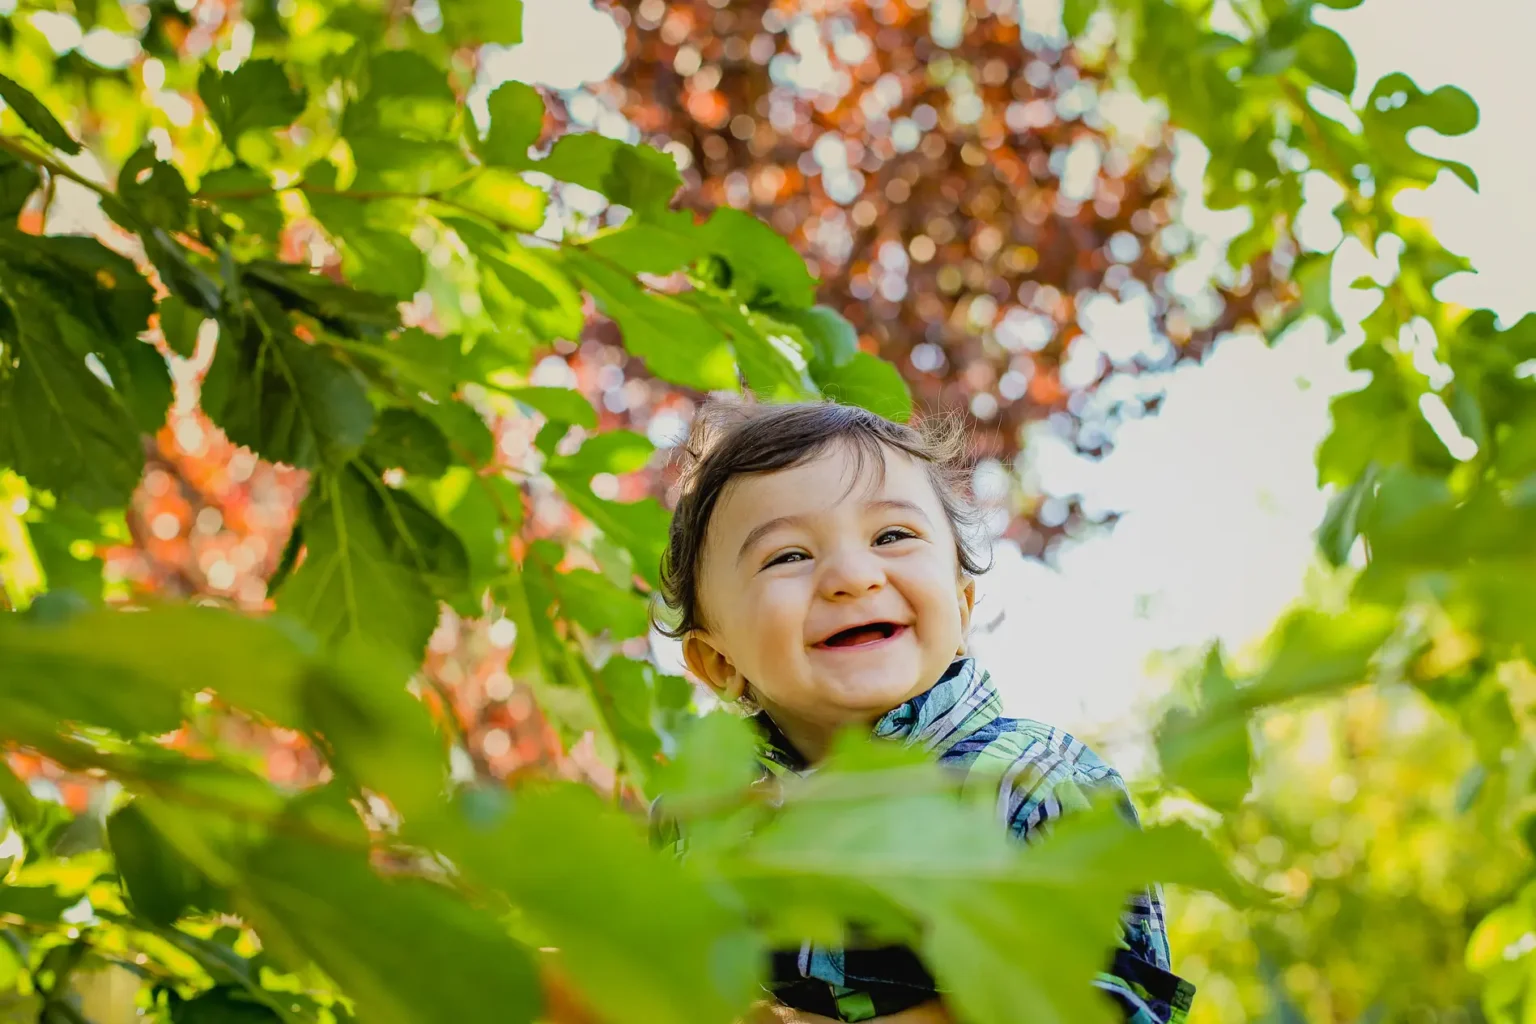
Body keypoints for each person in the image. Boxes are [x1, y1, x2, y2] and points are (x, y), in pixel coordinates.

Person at [655, 400, 1194, 1024]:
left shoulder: (1029, 781)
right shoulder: (696, 816)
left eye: (892, 536)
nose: (853, 577)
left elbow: (1112, 1004)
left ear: (962, 609)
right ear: (719, 663)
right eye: (789, 555)